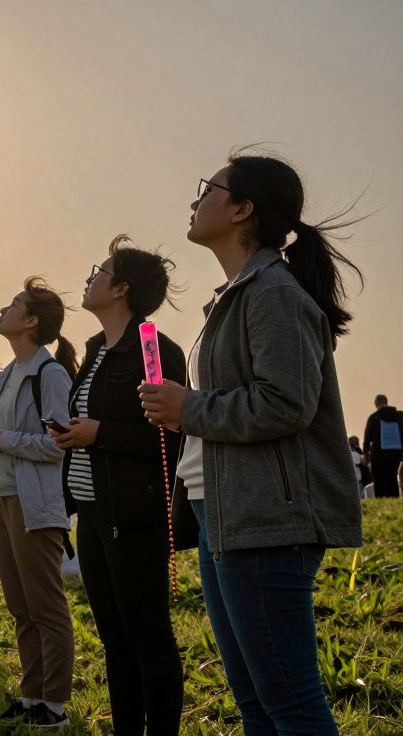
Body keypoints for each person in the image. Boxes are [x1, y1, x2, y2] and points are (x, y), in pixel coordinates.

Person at [140, 153, 363, 734]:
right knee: (258, 706)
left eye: (207, 189)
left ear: (243, 209)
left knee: (290, 705)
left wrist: (188, 407)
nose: (194, 201)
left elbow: (286, 402)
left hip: (268, 519)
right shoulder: (238, 293)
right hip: (225, 511)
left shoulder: (273, 293)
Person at [51, 237, 188, 735]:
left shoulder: (152, 347)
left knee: (148, 635)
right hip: (92, 512)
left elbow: (169, 436)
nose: (89, 278)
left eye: (99, 270)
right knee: (113, 636)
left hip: (134, 516)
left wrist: (99, 434)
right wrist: (75, 434)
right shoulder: (94, 351)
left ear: (123, 288)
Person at [0, 278, 77, 728]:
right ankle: (31, 697)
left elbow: (58, 444)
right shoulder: (10, 373)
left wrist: (2, 438)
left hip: (33, 502)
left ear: (31, 321)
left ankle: (54, 705)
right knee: (19, 606)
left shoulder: (50, 374)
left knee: (45, 606)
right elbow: (17, 441)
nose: (3, 308)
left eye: (14, 304)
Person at [363, 394, 402, 498]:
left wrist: (366, 454)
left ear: (376, 403)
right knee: (392, 479)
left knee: (380, 481)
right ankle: (394, 500)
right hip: (395, 454)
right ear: (386, 401)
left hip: (379, 455)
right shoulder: (398, 416)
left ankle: (381, 500)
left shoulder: (374, 417)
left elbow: (367, 438)